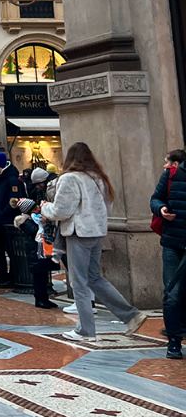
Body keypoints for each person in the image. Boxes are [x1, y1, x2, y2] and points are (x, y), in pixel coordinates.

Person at [42, 142, 147, 342]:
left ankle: (85, 330)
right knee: (94, 278)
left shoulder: (70, 178)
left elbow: (61, 211)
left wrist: (46, 208)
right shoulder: (99, 178)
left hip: (78, 233)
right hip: (96, 232)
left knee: (79, 282)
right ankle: (131, 315)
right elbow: (107, 208)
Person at [150, 148, 186, 358]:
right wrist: (161, 209)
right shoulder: (171, 175)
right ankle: (174, 341)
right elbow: (155, 199)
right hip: (173, 242)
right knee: (172, 293)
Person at [0, 152, 24, 286]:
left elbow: (13, 201)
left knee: (10, 250)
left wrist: (1, 214)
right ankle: (2, 275)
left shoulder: (12, 179)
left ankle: (13, 277)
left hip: (7, 221)